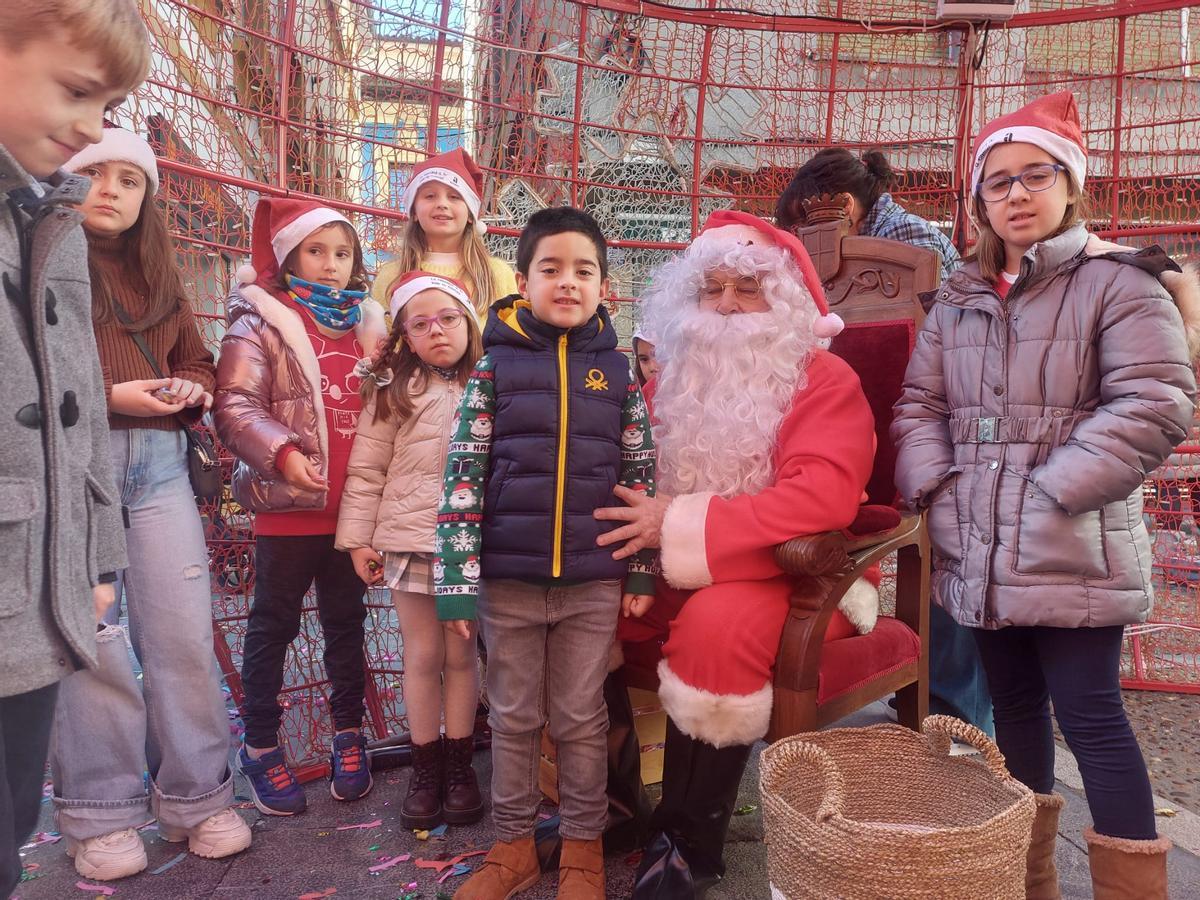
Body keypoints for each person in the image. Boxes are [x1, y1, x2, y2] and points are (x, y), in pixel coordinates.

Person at [893, 92, 1196, 899]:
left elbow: (1155, 403)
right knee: (1016, 713)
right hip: (980, 545)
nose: (1017, 195)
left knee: (1092, 718)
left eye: (1036, 175)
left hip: (1072, 545)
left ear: (1070, 183)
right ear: (978, 199)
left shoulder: (1117, 283)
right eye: (998, 183)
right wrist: (936, 482)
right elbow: (920, 405)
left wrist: (1050, 489)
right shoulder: (958, 296)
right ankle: (1028, 884)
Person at [593, 210, 877, 896]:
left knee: (716, 630)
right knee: (569, 605)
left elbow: (821, 501)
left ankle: (689, 835)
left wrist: (678, 524)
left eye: (747, 288)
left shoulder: (823, 382)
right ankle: (616, 800)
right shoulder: (669, 381)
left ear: (782, 305)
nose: (724, 306)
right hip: (671, 561)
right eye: (709, 289)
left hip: (789, 571)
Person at [435, 207, 658, 900]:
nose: (567, 283)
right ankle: (513, 849)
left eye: (583, 270)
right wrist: (456, 582)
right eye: (551, 269)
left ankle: (584, 849)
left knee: (580, 717)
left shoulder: (618, 375)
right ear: (522, 281)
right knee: (513, 717)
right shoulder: (493, 369)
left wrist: (642, 567)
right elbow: (463, 474)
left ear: (604, 285)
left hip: (593, 580)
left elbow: (641, 472)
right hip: (507, 580)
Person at [47, 128, 251, 880]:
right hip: (75, 465)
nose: (112, 190)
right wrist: (108, 398)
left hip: (160, 464)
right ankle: (100, 813)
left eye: (130, 180)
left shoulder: (156, 272)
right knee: (93, 638)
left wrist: (191, 386)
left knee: (181, 634)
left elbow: (192, 355)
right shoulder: (35, 259)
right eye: (95, 173)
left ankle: (199, 798)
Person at [0, 2, 146, 893]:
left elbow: (76, 396)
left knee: (12, 821)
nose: (93, 130)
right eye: (78, 91)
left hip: (36, 579)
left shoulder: (46, 210)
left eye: (110, 104)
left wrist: (92, 548)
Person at [776, 148, 991, 735]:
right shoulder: (806, 261)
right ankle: (939, 706)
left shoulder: (916, 246)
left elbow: (959, 357)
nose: (800, 235)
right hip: (843, 446)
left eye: (801, 220)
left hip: (930, 440)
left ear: (840, 205)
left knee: (946, 552)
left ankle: (957, 721)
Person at [214, 197, 388, 816]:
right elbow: (234, 405)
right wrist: (283, 453)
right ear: (289, 258)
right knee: (273, 626)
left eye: (343, 253)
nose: (330, 265)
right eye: (316, 251)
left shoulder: (370, 326)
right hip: (289, 509)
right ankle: (260, 745)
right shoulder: (260, 322)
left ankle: (349, 736)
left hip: (353, 513)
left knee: (347, 626)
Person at [336, 272, 485, 830]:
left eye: (448, 318)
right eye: (420, 324)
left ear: (468, 322)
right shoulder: (394, 388)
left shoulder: (489, 382)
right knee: (422, 655)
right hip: (409, 541)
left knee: (463, 655)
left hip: (468, 545)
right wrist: (358, 540)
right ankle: (427, 766)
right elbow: (368, 468)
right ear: (405, 335)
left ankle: (461, 763)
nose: (437, 331)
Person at [775, 148, 962, 283]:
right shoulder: (875, 235)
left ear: (846, 206)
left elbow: (934, 321)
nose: (802, 238)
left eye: (805, 224)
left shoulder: (901, 231)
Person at [371, 148, 517, 320]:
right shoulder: (390, 277)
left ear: (470, 214)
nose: (442, 204)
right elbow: (383, 340)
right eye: (430, 196)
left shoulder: (498, 275)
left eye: (454, 197)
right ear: (415, 212)